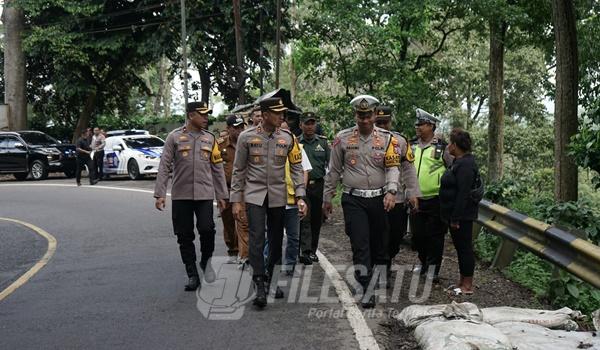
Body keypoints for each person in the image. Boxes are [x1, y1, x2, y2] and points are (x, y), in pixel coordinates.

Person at [323, 95, 400, 308]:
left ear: (375, 115)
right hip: (353, 199)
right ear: (355, 115)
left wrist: (392, 191)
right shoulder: (343, 138)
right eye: (360, 115)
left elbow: (393, 167)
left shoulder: (387, 139)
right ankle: (365, 287)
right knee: (360, 243)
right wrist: (327, 197)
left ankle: (371, 278)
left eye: (368, 115)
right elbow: (334, 170)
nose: (364, 120)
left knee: (378, 245)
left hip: (378, 199)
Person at [230, 97, 307, 308]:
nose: (282, 116)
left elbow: (297, 167)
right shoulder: (246, 138)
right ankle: (259, 284)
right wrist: (236, 201)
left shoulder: (287, 138)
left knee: (275, 240)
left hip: (278, 196)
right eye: (277, 112)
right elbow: (238, 171)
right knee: (256, 238)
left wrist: (300, 196)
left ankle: (271, 278)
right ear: (265, 115)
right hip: (254, 195)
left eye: (283, 112)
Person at [154, 101, 229, 292]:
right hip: (181, 195)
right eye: (202, 114)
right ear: (190, 115)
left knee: (207, 229)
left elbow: (217, 168)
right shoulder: (174, 137)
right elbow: (164, 165)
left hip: (204, 194)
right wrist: (160, 193)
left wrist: (222, 195)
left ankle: (206, 261)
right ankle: (192, 273)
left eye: (207, 115)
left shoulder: (210, 139)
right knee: (184, 235)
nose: (206, 118)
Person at [373, 106, 421, 276]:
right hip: (374, 197)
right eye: (379, 122)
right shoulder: (365, 141)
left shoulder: (400, 141)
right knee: (376, 235)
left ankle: (387, 259)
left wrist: (413, 193)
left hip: (397, 199)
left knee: (395, 236)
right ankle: (380, 267)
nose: (382, 126)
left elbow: (408, 169)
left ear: (390, 122)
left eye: (385, 122)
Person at [409, 108, 453, 283]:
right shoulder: (411, 145)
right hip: (415, 198)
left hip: (436, 199)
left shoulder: (442, 147)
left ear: (431, 126)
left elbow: (453, 168)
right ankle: (423, 262)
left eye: (421, 124)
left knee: (435, 236)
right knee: (418, 235)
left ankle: (433, 269)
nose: (417, 127)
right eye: (417, 124)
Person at [440, 128, 479, 295]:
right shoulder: (459, 161)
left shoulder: (466, 165)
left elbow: (463, 193)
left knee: (464, 248)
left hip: (462, 216)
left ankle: (467, 285)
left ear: (455, 145)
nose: (448, 146)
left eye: (450, 143)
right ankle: (462, 281)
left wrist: (455, 218)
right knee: (460, 247)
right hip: (454, 214)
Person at [298, 112, 330, 265]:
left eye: (312, 123)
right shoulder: (296, 143)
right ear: (301, 125)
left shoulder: (323, 143)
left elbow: (330, 166)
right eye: (307, 123)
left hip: (318, 185)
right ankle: (305, 251)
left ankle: (312, 250)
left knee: (317, 219)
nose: (310, 126)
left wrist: (330, 188)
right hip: (302, 186)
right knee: (304, 218)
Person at [217, 115, 250, 266]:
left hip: (245, 189)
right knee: (228, 222)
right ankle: (232, 249)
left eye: (241, 127)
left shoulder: (249, 143)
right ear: (228, 129)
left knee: (243, 221)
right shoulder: (220, 145)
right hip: (226, 190)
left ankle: (244, 254)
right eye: (236, 128)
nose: (239, 131)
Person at [280, 120, 312, 276]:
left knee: (294, 236)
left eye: (287, 131)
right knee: (271, 237)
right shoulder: (271, 147)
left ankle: (290, 265)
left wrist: (301, 195)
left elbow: (304, 171)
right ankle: (268, 264)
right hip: (275, 200)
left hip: (293, 200)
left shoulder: (297, 148)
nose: (284, 134)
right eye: (281, 130)